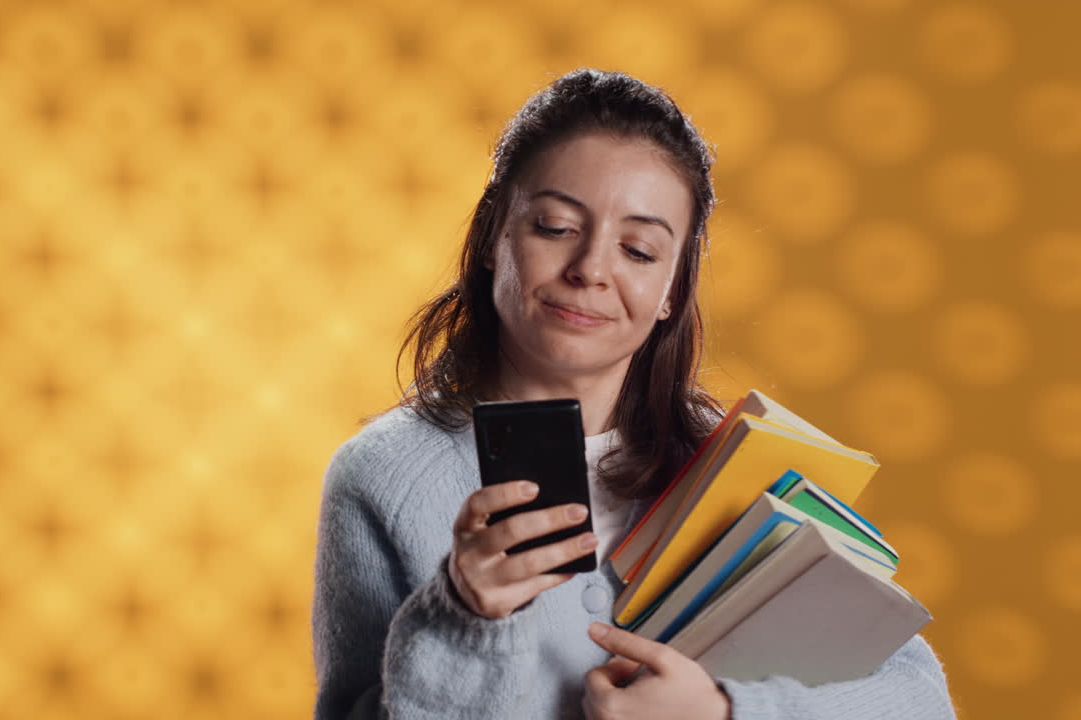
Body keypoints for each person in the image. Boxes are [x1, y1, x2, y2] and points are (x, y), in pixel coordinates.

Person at [312, 68, 956, 720]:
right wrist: (463, 614)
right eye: (556, 226)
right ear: (492, 238)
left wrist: (723, 711)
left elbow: (920, 702)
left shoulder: (736, 458)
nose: (591, 269)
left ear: (673, 290)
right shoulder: (384, 477)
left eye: (640, 250)